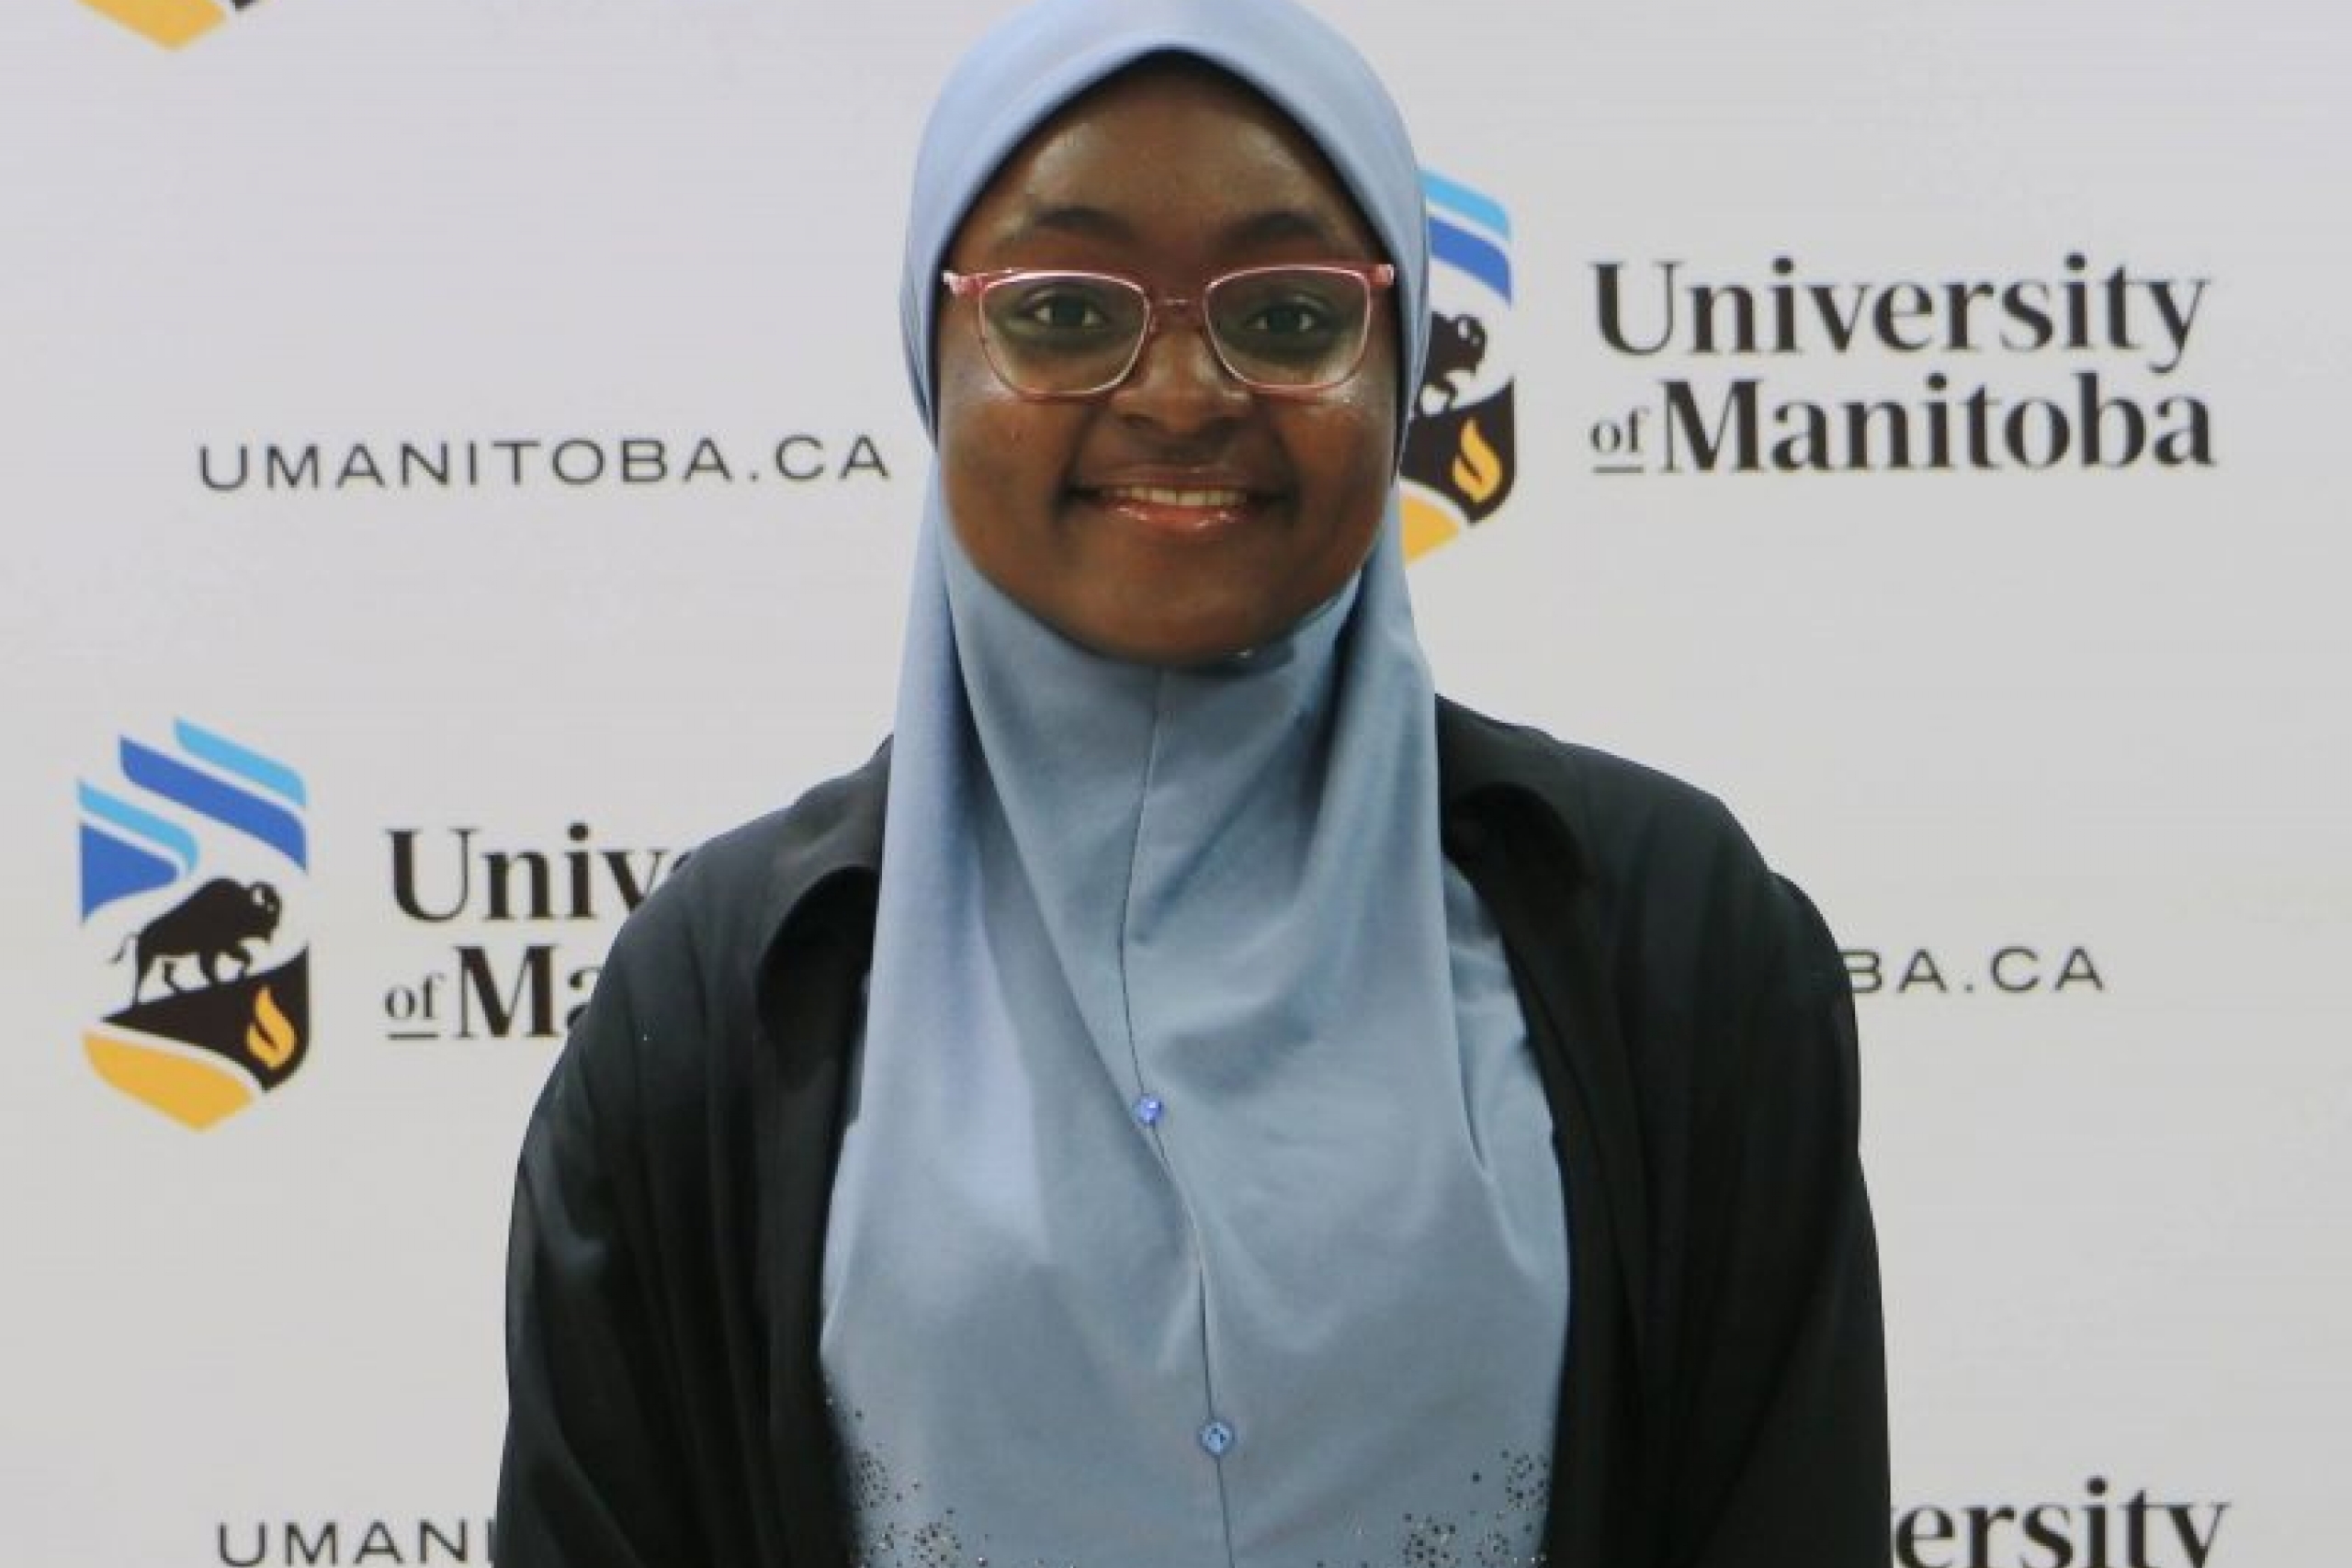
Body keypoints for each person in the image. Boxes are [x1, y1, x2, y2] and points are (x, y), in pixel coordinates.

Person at [495, 0, 1889, 1564]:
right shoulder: (724, 990)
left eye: (1288, 317)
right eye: (1061, 312)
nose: (1178, 392)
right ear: (932, 356)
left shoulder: (1668, 936)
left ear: (1405, 365)